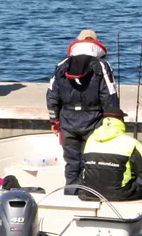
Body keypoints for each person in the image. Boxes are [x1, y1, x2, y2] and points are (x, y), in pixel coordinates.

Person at [46, 29, 120, 186]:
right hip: (94, 121)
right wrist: (113, 121)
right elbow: (110, 95)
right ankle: (89, 195)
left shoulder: (62, 65)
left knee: (72, 163)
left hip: (67, 120)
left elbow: (52, 95)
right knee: (93, 161)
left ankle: (71, 193)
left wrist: (54, 120)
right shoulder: (102, 65)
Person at [80, 109, 142, 201]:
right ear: (121, 121)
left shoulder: (90, 139)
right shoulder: (131, 143)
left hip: (89, 192)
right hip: (119, 193)